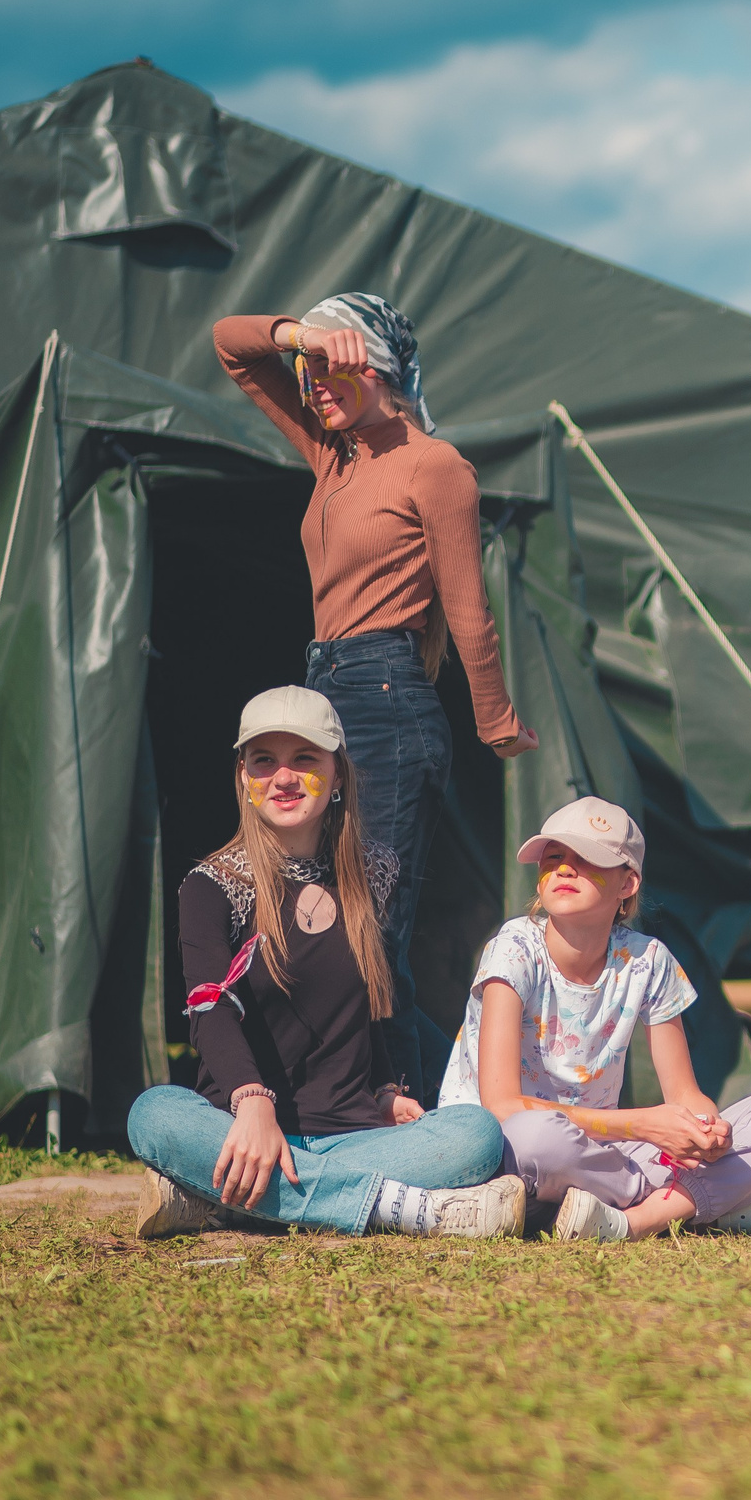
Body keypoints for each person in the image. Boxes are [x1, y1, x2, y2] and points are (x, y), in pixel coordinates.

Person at [215, 298, 540, 1104]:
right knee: (320, 922)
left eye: (330, 369)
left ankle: (405, 1104)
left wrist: (494, 718)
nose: (312, 385)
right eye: (307, 374)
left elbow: (469, 609)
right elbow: (230, 347)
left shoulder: (434, 465)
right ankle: (445, 1102)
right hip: (324, 699)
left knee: (370, 930)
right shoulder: (336, 457)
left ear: (380, 368)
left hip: (390, 704)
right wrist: (301, 336)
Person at [128, 688, 521, 1240]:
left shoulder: (372, 873)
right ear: (243, 776)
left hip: (353, 1135)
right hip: (242, 1127)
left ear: (338, 775)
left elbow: (365, 1005)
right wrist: (253, 1104)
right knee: (154, 1114)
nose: (283, 777)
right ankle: (396, 1208)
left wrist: (384, 1091)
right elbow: (208, 1007)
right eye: (264, 761)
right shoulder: (211, 885)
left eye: (304, 759)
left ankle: (239, 1200)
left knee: (476, 1133)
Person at [439, 798, 751, 1242]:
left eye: (586, 859)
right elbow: (502, 1107)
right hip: (507, 1153)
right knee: (536, 1136)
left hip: (602, 1155)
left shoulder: (649, 959)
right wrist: (645, 1125)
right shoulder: (512, 949)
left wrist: (708, 1132)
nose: (565, 869)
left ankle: (631, 1222)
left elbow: (684, 1094)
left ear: (627, 883)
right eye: (553, 858)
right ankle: (692, 1203)